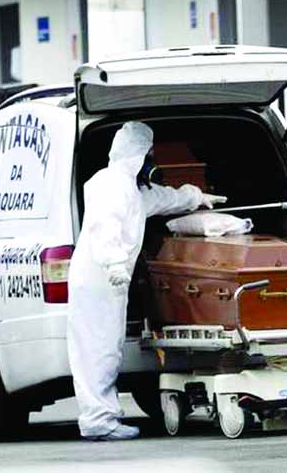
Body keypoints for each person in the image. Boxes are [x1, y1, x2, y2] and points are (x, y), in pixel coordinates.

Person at [67, 121, 226, 441]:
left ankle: (101, 416)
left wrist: (194, 197)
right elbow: (104, 225)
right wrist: (114, 263)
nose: (151, 162)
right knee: (97, 350)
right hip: (99, 278)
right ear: (136, 154)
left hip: (111, 281)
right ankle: (99, 419)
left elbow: (164, 200)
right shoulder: (110, 184)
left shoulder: (132, 189)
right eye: (148, 154)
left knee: (107, 348)